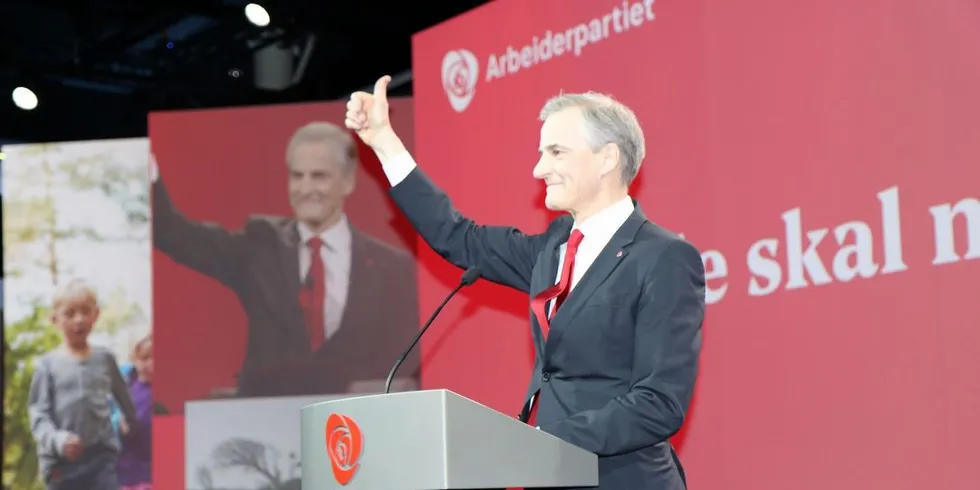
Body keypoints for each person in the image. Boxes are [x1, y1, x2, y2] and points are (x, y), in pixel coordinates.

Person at [344, 76, 706, 490]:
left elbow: (659, 402)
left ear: (607, 158)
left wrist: (543, 442)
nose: (539, 169)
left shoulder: (664, 257)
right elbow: (458, 237)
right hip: (551, 475)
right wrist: (384, 143)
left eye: (556, 152)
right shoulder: (553, 247)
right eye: (540, 153)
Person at [150, 121, 420, 398]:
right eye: (297, 175)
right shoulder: (259, 247)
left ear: (348, 181)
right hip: (268, 423)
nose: (305, 189)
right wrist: (150, 175)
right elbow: (176, 235)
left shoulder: (391, 268)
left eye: (319, 176)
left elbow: (405, 360)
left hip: (354, 424)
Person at [28, 279, 139, 490]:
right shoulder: (47, 366)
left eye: (85, 312)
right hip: (61, 463)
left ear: (95, 315)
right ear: (55, 319)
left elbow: (123, 394)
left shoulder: (105, 358)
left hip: (101, 457)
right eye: (70, 314)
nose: (79, 320)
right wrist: (58, 441)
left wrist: (130, 421)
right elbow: (38, 415)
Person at [117, 335, 152, 490]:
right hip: (126, 471)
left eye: (156, 357)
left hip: (152, 471)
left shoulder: (166, 392)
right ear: (135, 360)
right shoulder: (127, 387)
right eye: (144, 358)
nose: (151, 364)